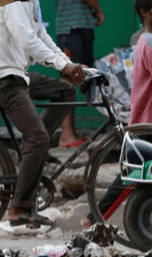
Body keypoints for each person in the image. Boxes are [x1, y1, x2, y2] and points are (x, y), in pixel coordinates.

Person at [0, 0, 86, 226]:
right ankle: (18, 208)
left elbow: (41, 36)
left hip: (19, 74)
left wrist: (67, 63)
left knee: (66, 91)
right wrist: (62, 65)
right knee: (38, 138)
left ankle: (35, 148)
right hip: (3, 78)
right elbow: (26, 39)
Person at [82, 0, 152, 228]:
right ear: (144, 13)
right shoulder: (151, 43)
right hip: (150, 120)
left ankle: (93, 219)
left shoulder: (150, 41)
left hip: (147, 119)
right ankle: (94, 220)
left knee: (137, 174)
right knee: (130, 176)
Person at [55, 0, 105, 148]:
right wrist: (98, 11)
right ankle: (66, 135)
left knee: (76, 78)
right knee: (68, 79)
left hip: (79, 26)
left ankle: (70, 133)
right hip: (71, 28)